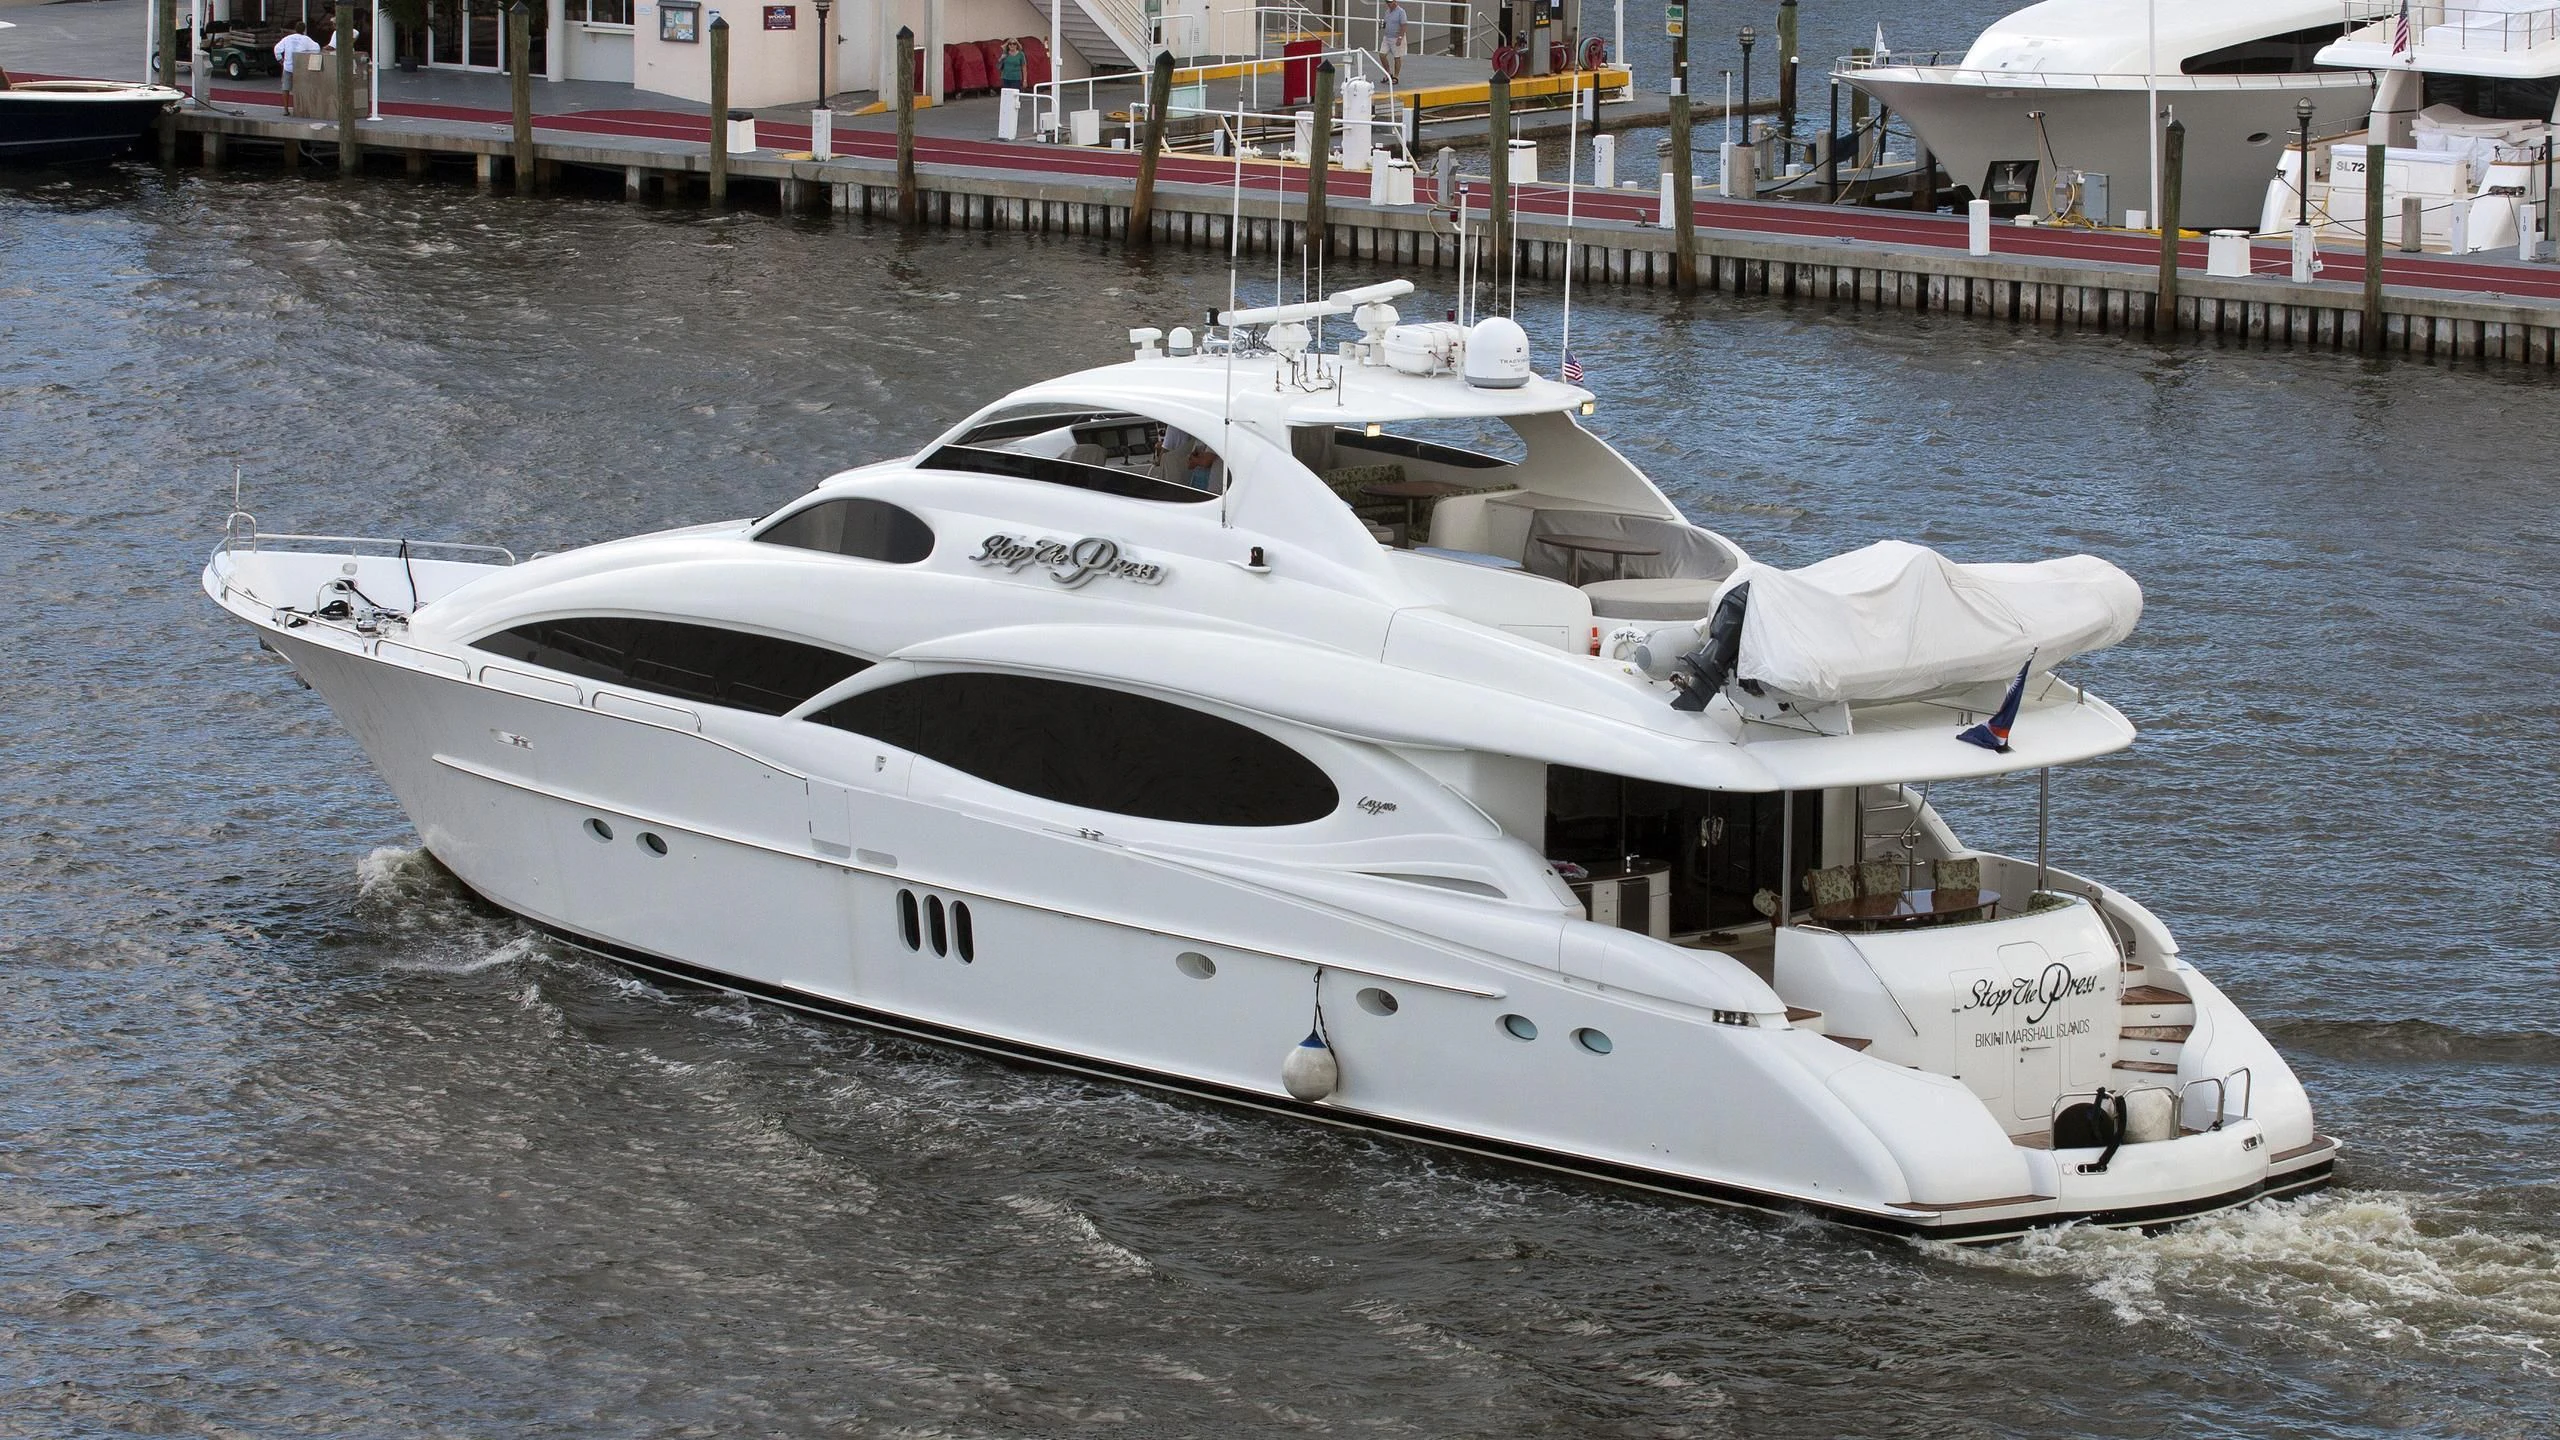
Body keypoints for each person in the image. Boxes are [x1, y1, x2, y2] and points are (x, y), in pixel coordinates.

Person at [273, 23, 320, 90]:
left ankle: (285, 101)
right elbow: (317, 48)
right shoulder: (306, 39)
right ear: (304, 29)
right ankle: (299, 100)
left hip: (288, 66)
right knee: (300, 86)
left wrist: (280, 59)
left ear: (295, 29)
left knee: (285, 87)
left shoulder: (287, 38)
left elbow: (277, 48)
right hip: (300, 67)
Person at [1381, 0, 1407, 84]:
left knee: (1397, 57)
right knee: (1382, 55)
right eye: (1387, 2)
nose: (1388, 4)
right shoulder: (1387, 12)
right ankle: (1388, 73)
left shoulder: (1401, 12)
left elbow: (1403, 25)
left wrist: (1400, 37)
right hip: (1387, 37)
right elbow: (1385, 23)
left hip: (1396, 37)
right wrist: (1382, 25)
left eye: (1390, 2)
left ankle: (1396, 76)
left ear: (1395, 2)